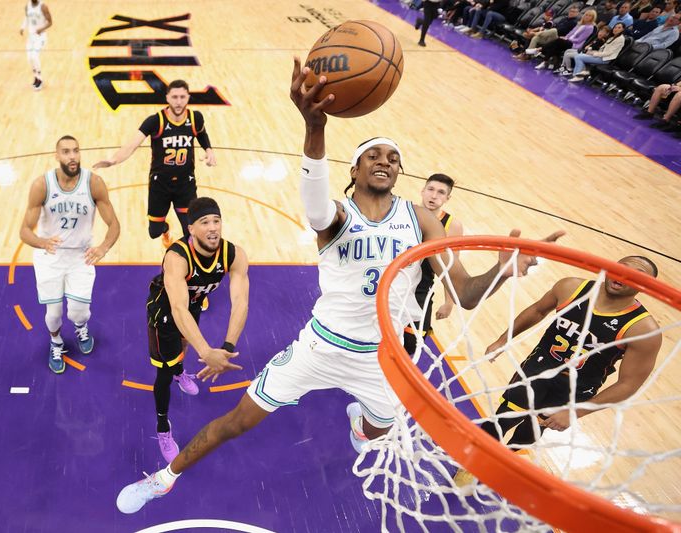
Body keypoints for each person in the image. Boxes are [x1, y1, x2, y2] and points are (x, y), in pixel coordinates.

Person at [114, 57, 564, 514]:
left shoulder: (421, 218)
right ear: (355, 170)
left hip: (381, 357)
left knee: (377, 429)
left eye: (393, 158)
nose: (385, 161)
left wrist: (504, 272)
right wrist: (314, 127)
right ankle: (164, 479)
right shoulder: (338, 217)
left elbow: (465, 293)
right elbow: (313, 203)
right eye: (374, 155)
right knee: (236, 422)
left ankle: (359, 425)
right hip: (320, 347)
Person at [454, 256, 661, 487]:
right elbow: (537, 310)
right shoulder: (571, 287)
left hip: (576, 387)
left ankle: (503, 459)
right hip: (538, 368)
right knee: (505, 416)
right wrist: (503, 339)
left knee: (532, 431)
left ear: (645, 286)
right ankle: (473, 463)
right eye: (620, 268)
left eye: (635, 275)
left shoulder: (643, 329)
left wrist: (576, 412)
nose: (622, 276)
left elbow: (628, 384)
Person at [145, 197, 249, 463]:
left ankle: (182, 372)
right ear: (191, 228)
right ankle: (162, 427)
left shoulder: (233, 254)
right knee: (164, 372)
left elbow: (241, 302)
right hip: (165, 311)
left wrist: (226, 349)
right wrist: (207, 352)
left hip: (191, 304)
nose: (213, 227)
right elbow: (177, 308)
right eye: (205, 222)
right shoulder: (177, 257)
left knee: (184, 346)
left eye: (216, 221)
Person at [19, 135, 121, 374]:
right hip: (50, 256)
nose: (72, 156)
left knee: (78, 311)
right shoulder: (41, 186)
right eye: (66, 151)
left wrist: (104, 247)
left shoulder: (94, 183)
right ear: (57, 156)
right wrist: (42, 242)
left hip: (81, 256)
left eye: (75, 150)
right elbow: (24, 231)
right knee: (53, 313)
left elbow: (114, 224)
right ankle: (56, 342)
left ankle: (80, 326)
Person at [93, 80, 216, 248]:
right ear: (167, 98)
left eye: (182, 97)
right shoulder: (155, 121)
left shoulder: (195, 119)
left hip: (185, 184)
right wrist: (113, 160)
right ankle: (166, 229)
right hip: (160, 185)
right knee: (154, 232)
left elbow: (201, 133)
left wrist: (208, 150)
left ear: (188, 97)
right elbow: (132, 144)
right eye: (174, 97)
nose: (178, 102)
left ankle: (185, 262)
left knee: (190, 231)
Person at [403, 174, 464, 354]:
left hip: (422, 290)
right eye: (430, 189)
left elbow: (452, 267)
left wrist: (449, 302)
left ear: (447, 198)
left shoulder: (452, 226)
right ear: (422, 191)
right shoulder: (406, 213)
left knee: (411, 344)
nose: (434, 196)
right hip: (395, 284)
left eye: (441, 192)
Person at [19, 0, 52, 91]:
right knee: (29, 58)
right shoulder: (27, 6)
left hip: (40, 37)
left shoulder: (43, 6)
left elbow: (50, 22)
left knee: (34, 56)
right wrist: (22, 27)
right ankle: (36, 77)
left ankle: (40, 79)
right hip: (31, 36)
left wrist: (41, 29)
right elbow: (26, 18)